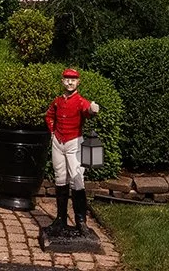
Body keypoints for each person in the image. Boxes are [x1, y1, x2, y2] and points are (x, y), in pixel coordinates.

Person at [44, 67, 99, 235]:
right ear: (62, 81)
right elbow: (49, 115)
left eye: (73, 80)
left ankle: (80, 221)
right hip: (58, 142)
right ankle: (60, 219)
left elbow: (87, 110)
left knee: (77, 179)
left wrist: (92, 109)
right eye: (67, 79)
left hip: (74, 142)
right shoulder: (57, 101)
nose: (69, 82)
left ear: (78, 82)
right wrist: (53, 132)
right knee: (60, 178)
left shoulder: (80, 101)